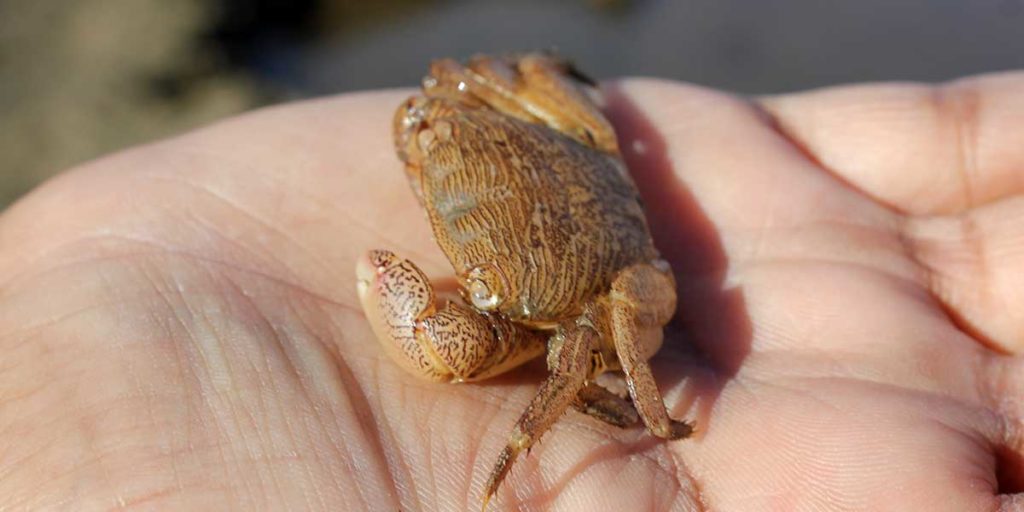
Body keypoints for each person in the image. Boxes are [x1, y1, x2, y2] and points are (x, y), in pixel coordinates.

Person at [1, 73, 1023, 511]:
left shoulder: (553, 299)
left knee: (550, 336)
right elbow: (463, 88)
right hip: (544, 164)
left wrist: (603, 407)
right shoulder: (490, 116)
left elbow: (563, 332)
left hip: (605, 280)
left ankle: (526, 442)